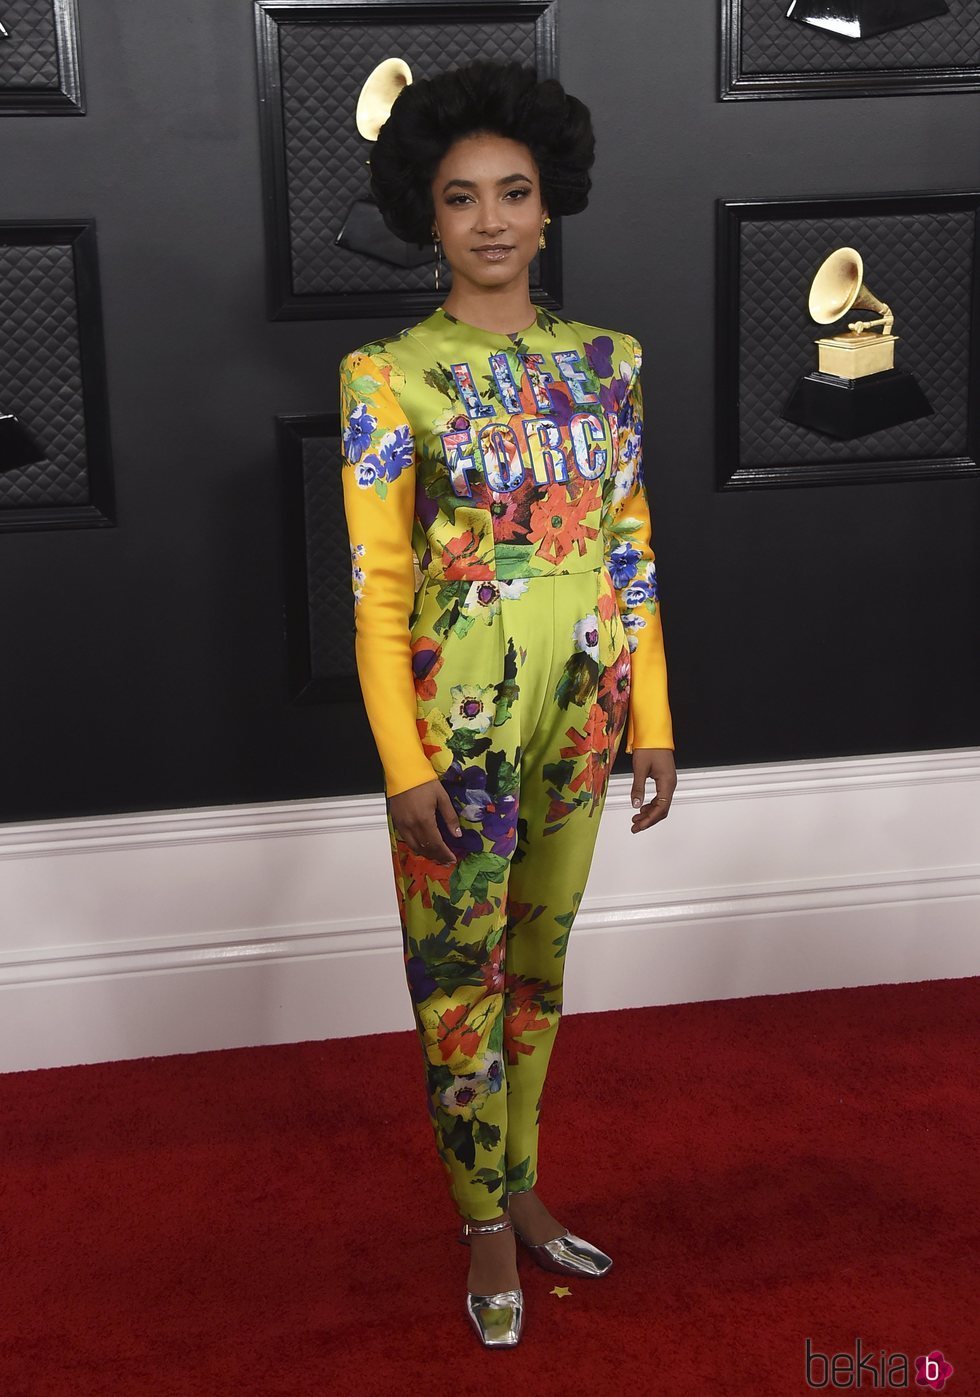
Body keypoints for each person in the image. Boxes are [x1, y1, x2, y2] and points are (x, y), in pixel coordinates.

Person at [338, 58, 677, 1348]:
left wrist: (653, 717)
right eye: (461, 195)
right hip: (457, 719)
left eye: (514, 192)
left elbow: (632, 552)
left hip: (587, 708)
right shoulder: (388, 376)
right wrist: (401, 763)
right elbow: (377, 591)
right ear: (427, 214)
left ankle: (522, 1185)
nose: (490, 219)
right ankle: (481, 1217)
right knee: (458, 978)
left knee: (541, 962)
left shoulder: (610, 364)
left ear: (550, 206)